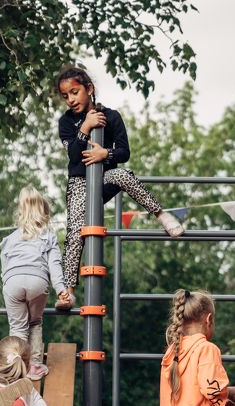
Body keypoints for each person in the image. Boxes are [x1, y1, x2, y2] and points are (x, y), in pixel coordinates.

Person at [54, 63, 185, 310]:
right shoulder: (66, 122)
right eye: (65, 96)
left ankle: (162, 215)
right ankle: (68, 292)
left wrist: (106, 153)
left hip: (104, 178)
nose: (70, 99)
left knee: (124, 175)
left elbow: (124, 152)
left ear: (89, 89)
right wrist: (85, 127)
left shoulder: (112, 116)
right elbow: (73, 155)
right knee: (74, 232)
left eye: (74, 92)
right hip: (79, 183)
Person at [0, 185, 68, 380]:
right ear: (44, 211)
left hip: (12, 281)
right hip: (37, 280)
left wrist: (9, 285)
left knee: (17, 327)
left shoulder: (9, 239)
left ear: (20, 211)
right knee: (35, 322)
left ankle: (16, 367)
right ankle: (35, 366)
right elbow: (54, 265)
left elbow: (4, 268)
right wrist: (61, 289)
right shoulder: (48, 235)